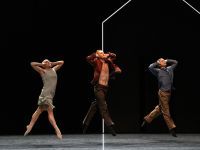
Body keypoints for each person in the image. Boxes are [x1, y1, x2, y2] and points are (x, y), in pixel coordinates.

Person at [82, 50, 122, 136]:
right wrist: (95, 55)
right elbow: (88, 58)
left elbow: (114, 56)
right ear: (97, 54)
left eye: (103, 52)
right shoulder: (96, 61)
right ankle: (110, 126)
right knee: (103, 106)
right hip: (98, 87)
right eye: (100, 53)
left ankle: (85, 124)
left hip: (105, 88)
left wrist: (109, 54)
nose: (102, 54)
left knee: (95, 106)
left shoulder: (109, 61)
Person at [24, 59, 64, 139]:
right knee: (50, 112)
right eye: (45, 62)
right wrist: (42, 64)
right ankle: (57, 130)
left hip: (50, 95)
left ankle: (30, 126)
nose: (47, 62)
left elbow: (62, 62)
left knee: (39, 111)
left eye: (48, 61)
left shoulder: (53, 69)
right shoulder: (42, 71)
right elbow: (32, 63)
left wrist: (52, 63)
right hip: (45, 95)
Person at [141, 58, 178, 137]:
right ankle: (171, 128)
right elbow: (150, 67)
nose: (163, 61)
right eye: (161, 61)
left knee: (160, 108)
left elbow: (175, 62)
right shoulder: (158, 71)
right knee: (165, 110)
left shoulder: (170, 68)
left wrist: (166, 60)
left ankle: (147, 119)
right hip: (162, 93)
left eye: (164, 60)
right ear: (159, 64)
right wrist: (156, 62)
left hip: (169, 93)